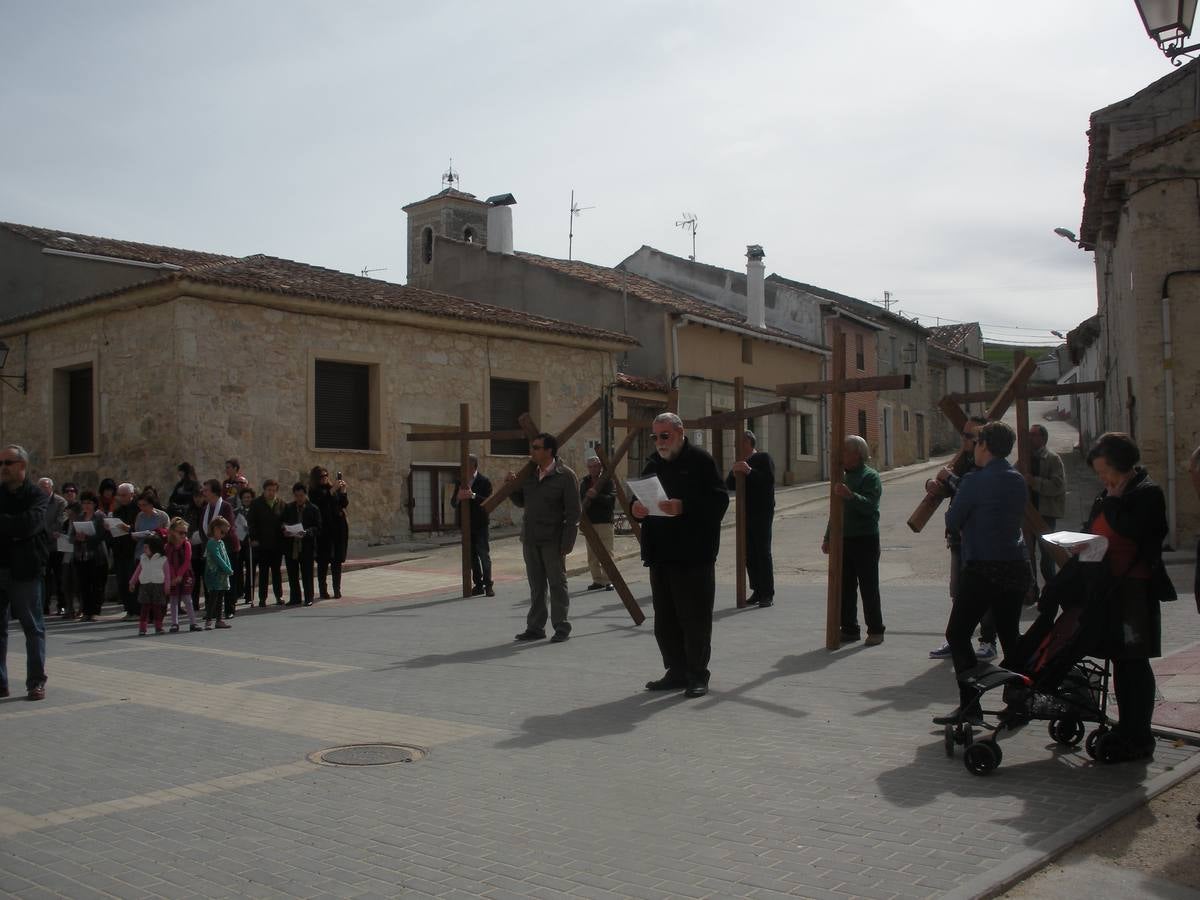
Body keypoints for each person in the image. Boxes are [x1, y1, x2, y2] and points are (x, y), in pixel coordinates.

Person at [1084, 432, 1173, 763]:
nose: (1102, 479)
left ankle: (1139, 736)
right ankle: (1127, 727)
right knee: (1121, 664)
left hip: (1135, 591)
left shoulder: (1146, 493)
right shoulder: (1110, 493)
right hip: (1110, 589)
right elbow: (1093, 525)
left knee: (1134, 664)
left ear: (1122, 466)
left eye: (1104, 470)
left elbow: (1134, 531)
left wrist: (1114, 501)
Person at [934, 421, 1030, 726]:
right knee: (1010, 635)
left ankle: (970, 705)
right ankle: (1018, 705)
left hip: (984, 568)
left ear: (984, 446)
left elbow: (953, 519)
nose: (974, 449)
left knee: (958, 634)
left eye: (976, 444)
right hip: (1016, 566)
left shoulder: (975, 480)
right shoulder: (1017, 478)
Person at [632, 413, 730, 698]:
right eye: (656, 436)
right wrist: (635, 508)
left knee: (694, 618)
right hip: (660, 554)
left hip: (693, 555)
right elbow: (640, 499)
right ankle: (675, 671)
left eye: (665, 436)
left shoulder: (701, 461)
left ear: (680, 432)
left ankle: (697, 674)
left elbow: (719, 501)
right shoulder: (652, 463)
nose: (660, 442)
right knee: (665, 620)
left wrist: (684, 506)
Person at [927, 416, 1002, 661]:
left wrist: (949, 479)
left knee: (983, 592)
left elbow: (975, 493)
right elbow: (951, 489)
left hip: (980, 542)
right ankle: (957, 638)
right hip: (959, 539)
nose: (966, 440)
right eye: (965, 435)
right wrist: (935, 483)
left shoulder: (988, 465)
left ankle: (988, 641)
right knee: (958, 592)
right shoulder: (964, 461)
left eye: (971, 436)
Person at [508, 433, 580, 643]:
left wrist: (567, 542)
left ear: (549, 451)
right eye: (533, 446)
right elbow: (522, 501)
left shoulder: (565, 476)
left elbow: (574, 512)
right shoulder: (530, 475)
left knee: (557, 583)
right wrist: (512, 487)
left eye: (537, 447)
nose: (533, 451)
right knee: (536, 585)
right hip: (530, 538)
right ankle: (535, 627)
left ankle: (561, 626)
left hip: (553, 539)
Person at [821, 435, 884, 645]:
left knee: (868, 587)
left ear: (856, 454)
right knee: (845, 587)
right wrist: (828, 536)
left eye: (845, 452)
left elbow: (870, 506)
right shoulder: (843, 477)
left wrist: (851, 496)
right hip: (844, 539)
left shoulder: (870, 476)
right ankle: (849, 628)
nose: (841, 456)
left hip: (865, 539)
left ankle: (875, 629)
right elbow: (835, 511)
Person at [0, 445, 49, 701]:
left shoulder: (37, 495)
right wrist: (12, 525)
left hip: (26, 569)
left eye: (8, 463)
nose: (3, 468)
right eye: (1, 463)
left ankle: (36, 682)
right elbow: (17, 526)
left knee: (32, 626)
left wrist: (6, 523)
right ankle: (1, 682)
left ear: (22, 466)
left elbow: (29, 525)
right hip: (1, 567)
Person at [726, 431, 776, 606]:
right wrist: (733, 472)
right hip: (744, 513)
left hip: (762, 512)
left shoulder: (763, 458)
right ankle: (757, 589)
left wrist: (748, 471)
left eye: (737, 442)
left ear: (747, 442)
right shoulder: (739, 462)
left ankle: (767, 593)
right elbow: (729, 485)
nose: (734, 446)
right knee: (748, 553)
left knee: (762, 552)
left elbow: (768, 481)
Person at [1027, 424, 1066, 589]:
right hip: (1028, 513)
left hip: (1045, 513)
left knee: (1048, 557)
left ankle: (1053, 593)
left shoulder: (1052, 458)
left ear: (1043, 438)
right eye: (1029, 434)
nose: (1030, 438)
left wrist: (1034, 482)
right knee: (1028, 555)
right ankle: (1032, 591)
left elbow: (1058, 486)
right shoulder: (1025, 458)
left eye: (1034, 434)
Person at [451, 455, 494, 596]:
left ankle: (488, 585)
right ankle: (478, 585)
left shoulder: (484, 481)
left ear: (474, 466)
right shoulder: (460, 482)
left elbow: (488, 502)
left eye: (467, 465)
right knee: (472, 557)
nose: (464, 468)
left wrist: (473, 495)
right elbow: (453, 503)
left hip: (480, 524)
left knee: (483, 554)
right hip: (466, 525)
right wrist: (458, 496)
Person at [198, 479, 240, 619]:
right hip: (210, 550)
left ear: (214, 492)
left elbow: (227, 528)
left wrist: (217, 542)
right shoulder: (205, 509)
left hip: (226, 548)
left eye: (206, 490)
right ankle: (212, 611)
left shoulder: (225, 507)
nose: (203, 492)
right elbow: (202, 529)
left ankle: (229, 609)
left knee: (227, 580)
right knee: (211, 581)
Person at [309, 467, 348, 600]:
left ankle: (337, 589)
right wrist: (332, 491)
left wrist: (343, 491)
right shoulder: (315, 492)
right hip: (324, 531)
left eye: (326, 475)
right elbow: (321, 504)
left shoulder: (332, 488)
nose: (325, 477)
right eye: (321, 476)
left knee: (336, 562)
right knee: (323, 562)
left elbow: (343, 504)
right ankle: (323, 591)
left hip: (337, 529)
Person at [579, 456, 615, 592]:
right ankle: (597, 580)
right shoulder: (585, 482)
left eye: (596, 466)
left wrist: (596, 496)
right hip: (590, 523)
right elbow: (581, 499)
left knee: (607, 553)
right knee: (592, 554)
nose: (593, 469)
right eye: (591, 466)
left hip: (605, 522)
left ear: (600, 466)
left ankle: (609, 580)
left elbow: (611, 500)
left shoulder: (607, 481)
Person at [282, 482, 321, 606]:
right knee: (292, 573)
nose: (299, 498)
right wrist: (285, 530)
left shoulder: (313, 509)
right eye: (296, 496)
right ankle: (295, 597)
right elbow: (282, 522)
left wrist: (306, 532)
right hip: (291, 546)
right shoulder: (289, 508)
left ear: (305, 495)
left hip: (306, 546)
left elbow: (318, 528)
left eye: (301, 495)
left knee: (307, 573)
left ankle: (309, 597)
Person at [248, 479, 285, 606]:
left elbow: (284, 521)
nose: (271, 493)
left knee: (276, 572)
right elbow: (251, 523)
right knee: (263, 572)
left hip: (276, 544)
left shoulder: (281, 504)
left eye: (274, 490)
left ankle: (278, 596)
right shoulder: (256, 504)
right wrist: (254, 538)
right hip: (262, 544)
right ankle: (262, 598)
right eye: (269, 490)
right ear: (264, 490)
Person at [70, 491, 107, 622]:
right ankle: (86, 611)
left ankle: (95, 611)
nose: (86, 505)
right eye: (84, 503)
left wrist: (88, 537)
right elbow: (71, 537)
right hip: (81, 556)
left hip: (96, 556)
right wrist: (77, 538)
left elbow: (102, 535)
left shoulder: (100, 516)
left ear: (94, 504)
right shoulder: (79, 517)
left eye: (89, 503)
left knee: (96, 584)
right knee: (83, 585)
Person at [108, 482, 140, 619]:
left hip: (132, 549)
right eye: (119, 495)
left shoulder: (138, 510)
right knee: (122, 581)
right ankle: (128, 609)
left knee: (132, 580)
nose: (121, 498)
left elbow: (139, 529)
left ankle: (136, 610)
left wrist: (128, 528)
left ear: (132, 495)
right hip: (119, 550)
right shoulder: (118, 511)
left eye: (124, 495)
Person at [37, 477, 67, 616]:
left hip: (56, 546)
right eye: (41, 487)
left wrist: (44, 532)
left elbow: (60, 522)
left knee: (60, 577)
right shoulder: (36, 502)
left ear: (51, 488)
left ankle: (62, 605)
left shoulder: (60, 502)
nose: (43, 489)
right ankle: (44, 605)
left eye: (45, 486)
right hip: (41, 546)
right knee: (44, 577)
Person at [130, 533, 169, 636]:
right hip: (145, 585)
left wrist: (167, 587)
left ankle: (158, 627)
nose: (144, 550)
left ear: (154, 547)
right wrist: (132, 582)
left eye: (146, 547)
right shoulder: (143, 558)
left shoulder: (162, 559)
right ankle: (142, 629)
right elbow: (138, 571)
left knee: (157, 608)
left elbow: (167, 574)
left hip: (158, 585)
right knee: (144, 608)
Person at [164, 517, 198, 633]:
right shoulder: (168, 546)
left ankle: (193, 622)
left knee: (187, 598)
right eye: (180, 532)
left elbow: (187, 561)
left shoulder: (186, 544)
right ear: (173, 532)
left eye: (185, 532)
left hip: (186, 574)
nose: (183, 535)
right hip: (173, 576)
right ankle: (174, 623)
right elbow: (168, 562)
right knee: (173, 599)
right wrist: (173, 576)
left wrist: (179, 575)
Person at [203, 517, 233, 629]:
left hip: (222, 575)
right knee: (213, 597)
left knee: (221, 597)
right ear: (215, 529)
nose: (223, 535)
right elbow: (217, 557)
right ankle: (209, 620)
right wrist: (226, 568)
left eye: (225, 533)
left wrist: (229, 567)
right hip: (214, 574)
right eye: (222, 532)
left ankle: (219, 620)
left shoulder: (221, 542)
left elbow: (225, 556)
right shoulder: (211, 543)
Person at [234, 485, 255, 605]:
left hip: (249, 543)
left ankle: (249, 594)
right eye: (245, 497)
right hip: (239, 542)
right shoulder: (236, 512)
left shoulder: (255, 510)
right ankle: (238, 592)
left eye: (249, 497)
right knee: (237, 569)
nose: (247, 499)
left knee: (250, 568)